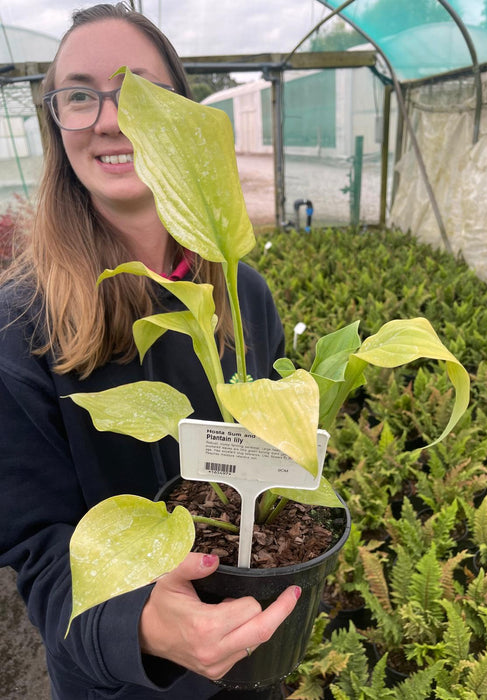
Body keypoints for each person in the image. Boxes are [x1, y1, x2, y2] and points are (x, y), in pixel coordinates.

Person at [0, 4, 300, 699]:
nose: (109, 119)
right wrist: (138, 624)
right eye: (79, 94)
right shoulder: (20, 329)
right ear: (57, 122)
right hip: (129, 682)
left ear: (177, 117)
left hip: (255, 652)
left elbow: (274, 461)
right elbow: (38, 554)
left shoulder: (241, 290)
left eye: (136, 91)